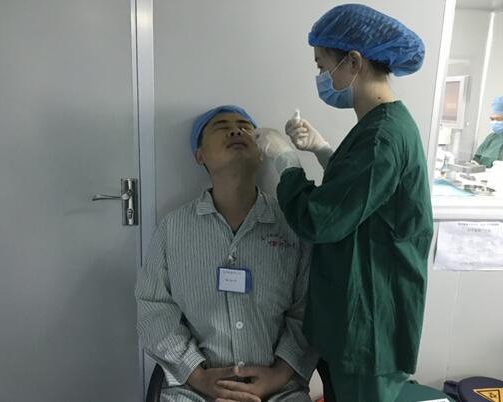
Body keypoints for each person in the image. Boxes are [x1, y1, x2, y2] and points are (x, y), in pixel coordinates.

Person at [255, 4, 434, 402]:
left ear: (353, 61)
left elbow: (320, 219)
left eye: (323, 66)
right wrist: (322, 150)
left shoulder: (383, 136)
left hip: (369, 325)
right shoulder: (381, 126)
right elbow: (365, 193)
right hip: (355, 314)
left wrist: (286, 161)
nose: (322, 78)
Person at [135, 105, 316, 402]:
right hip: (194, 391)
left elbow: (308, 308)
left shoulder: (292, 225)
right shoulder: (173, 229)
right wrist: (198, 376)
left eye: (245, 127)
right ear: (200, 155)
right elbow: (154, 309)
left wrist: (279, 374)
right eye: (221, 127)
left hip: (278, 391)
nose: (235, 130)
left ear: (261, 152)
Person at [473, 96, 503, 168]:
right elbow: (476, 159)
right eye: (492, 119)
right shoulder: (492, 137)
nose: (494, 122)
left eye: (498, 119)